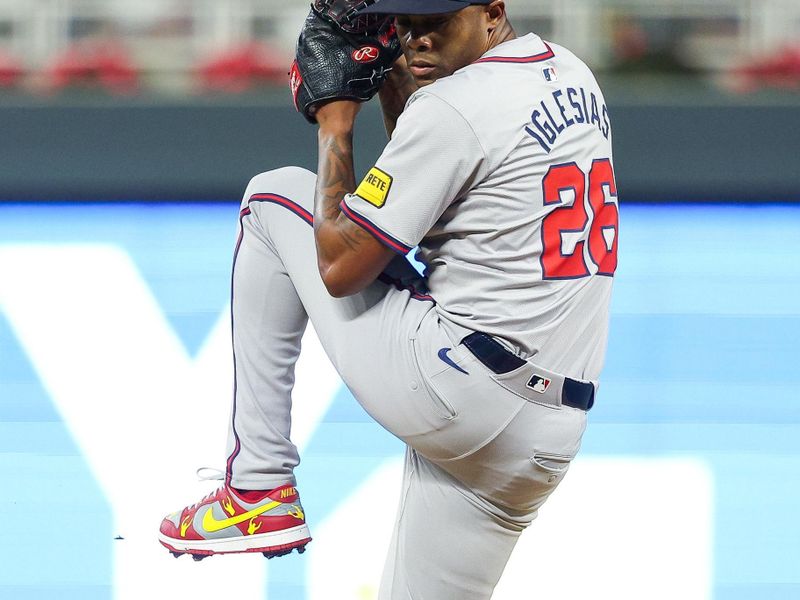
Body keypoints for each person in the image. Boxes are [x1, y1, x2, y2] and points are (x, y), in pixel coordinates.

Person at [158, 0, 619, 597]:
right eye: (406, 19)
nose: (416, 37)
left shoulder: (457, 108)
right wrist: (393, 76)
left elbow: (340, 266)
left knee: (271, 198)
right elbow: (434, 180)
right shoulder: (573, 73)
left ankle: (257, 484)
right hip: (546, 435)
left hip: (462, 389)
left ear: (492, 12)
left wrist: (336, 121)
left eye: (436, 19)